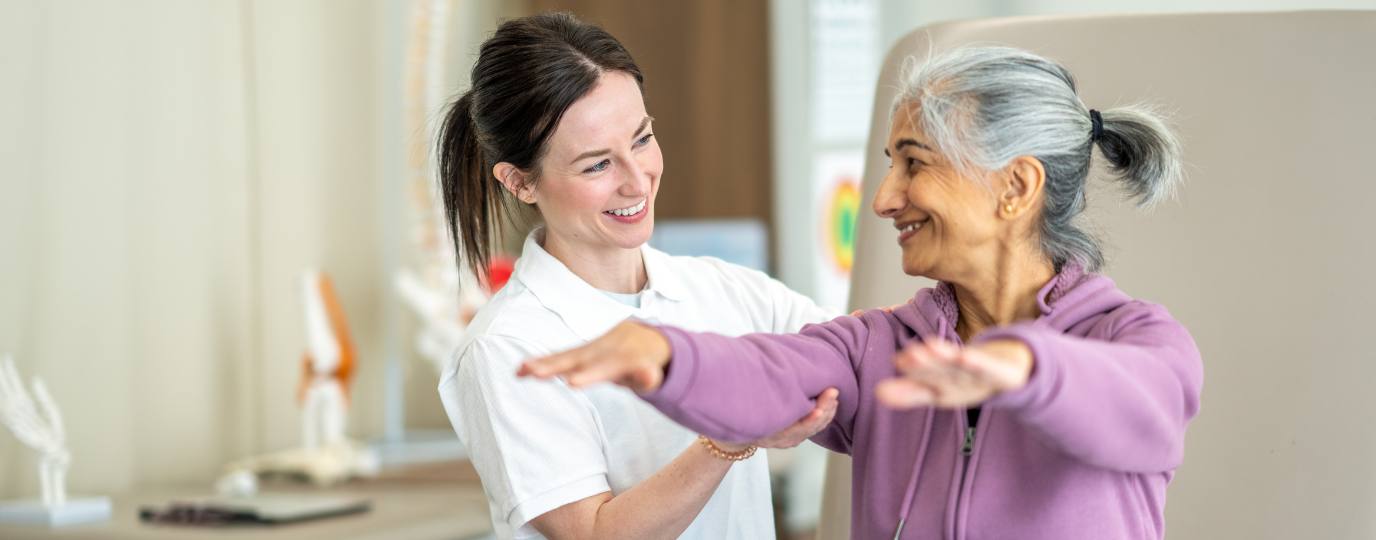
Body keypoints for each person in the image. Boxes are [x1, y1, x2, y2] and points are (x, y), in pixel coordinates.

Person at [522, 46, 1203, 539]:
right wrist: (665, 356)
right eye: (889, 166)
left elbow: (1143, 407)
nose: (884, 199)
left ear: (1016, 188)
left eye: (916, 163)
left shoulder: (1132, 339)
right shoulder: (878, 347)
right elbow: (769, 373)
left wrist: (1027, 365)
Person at [433, 12, 839, 540]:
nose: (636, 181)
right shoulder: (506, 348)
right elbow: (596, 533)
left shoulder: (726, 290)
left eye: (642, 139)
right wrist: (730, 438)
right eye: (597, 165)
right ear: (520, 183)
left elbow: (848, 356)